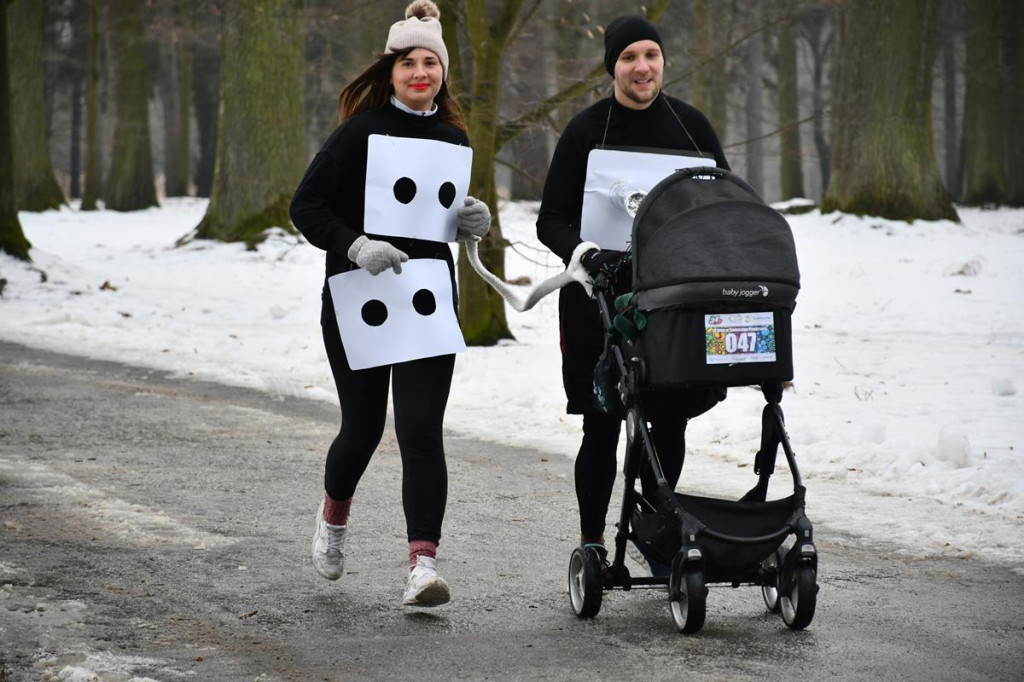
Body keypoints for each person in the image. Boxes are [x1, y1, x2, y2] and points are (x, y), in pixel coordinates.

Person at [289, 0, 491, 607]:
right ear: (391, 70)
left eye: (431, 62)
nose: (420, 72)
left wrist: (468, 221)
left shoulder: (453, 137)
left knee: (423, 432)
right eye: (409, 62)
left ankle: (422, 566)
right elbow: (307, 206)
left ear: (443, 73)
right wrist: (354, 245)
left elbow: (431, 216)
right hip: (357, 297)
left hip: (428, 301)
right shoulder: (361, 130)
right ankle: (332, 520)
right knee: (364, 428)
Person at [536, 15, 729, 571]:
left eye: (651, 54)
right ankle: (594, 540)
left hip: (671, 299)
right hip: (597, 299)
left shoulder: (693, 129)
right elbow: (551, 218)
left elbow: (724, 208)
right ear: (612, 67)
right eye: (628, 58)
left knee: (667, 420)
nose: (642, 66)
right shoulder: (585, 131)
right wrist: (583, 251)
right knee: (601, 425)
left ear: (663, 61)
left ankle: (656, 529)